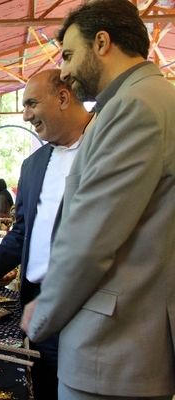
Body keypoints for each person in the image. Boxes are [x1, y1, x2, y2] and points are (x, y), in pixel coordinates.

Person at [20, 1, 175, 399]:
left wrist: (43, 312)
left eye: (69, 55)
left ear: (102, 43)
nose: (66, 72)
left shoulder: (134, 107)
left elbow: (91, 237)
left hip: (111, 347)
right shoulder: (152, 99)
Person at [0, 69, 92, 400]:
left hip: (87, 306)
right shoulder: (34, 164)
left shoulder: (106, 147)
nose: (25, 116)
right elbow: (21, 233)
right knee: (41, 387)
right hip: (36, 305)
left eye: (31, 104)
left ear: (64, 98)